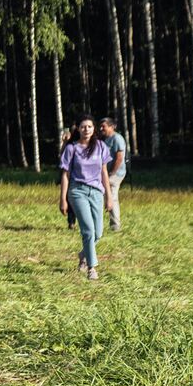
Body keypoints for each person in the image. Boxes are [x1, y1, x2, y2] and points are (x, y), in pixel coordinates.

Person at [58, 115, 113, 279]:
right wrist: (63, 199)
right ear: (78, 129)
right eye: (83, 127)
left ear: (94, 128)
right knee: (88, 231)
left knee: (98, 233)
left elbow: (104, 172)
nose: (86, 129)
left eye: (89, 126)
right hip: (77, 191)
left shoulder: (101, 147)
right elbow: (65, 174)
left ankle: (84, 254)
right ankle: (91, 268)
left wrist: (109, 197)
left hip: (96, 191)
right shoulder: (71, 148)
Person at [98, 117, 128, 230]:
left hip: (116, 173)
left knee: (112, 196)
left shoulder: (117, 139)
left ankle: (115, 226)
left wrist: (111, 173)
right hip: (106, 172)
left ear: (112, 127)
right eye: (100, 126)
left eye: (103, 126)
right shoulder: (105, 139)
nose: (101, 128)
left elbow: (119, 158)